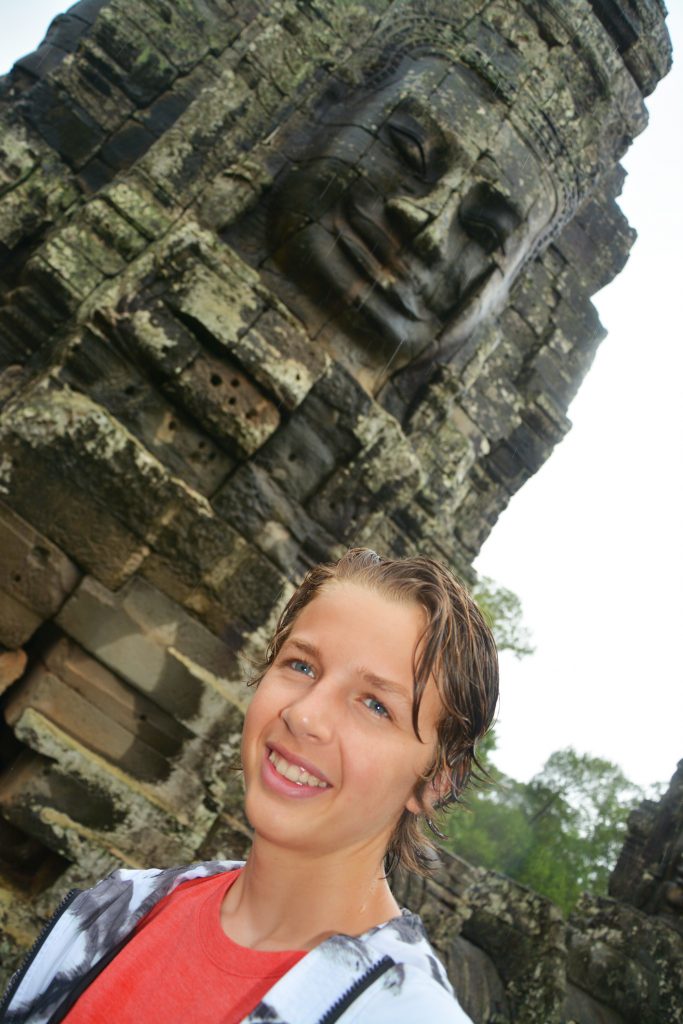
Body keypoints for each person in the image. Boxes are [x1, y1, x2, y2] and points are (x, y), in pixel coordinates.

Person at [0, 548, 499, 1024]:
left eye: (374, 705)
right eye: (301, 665)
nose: (304, 714)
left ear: (435, 780)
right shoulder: (117, 908)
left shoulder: (401, 1013)